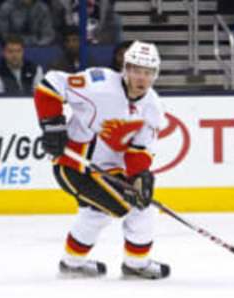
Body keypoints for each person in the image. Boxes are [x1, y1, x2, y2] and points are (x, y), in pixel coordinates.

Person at [33, 40, 170, 279]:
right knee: (127, 207)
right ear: (125, 68)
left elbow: (138, 150)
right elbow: (50, 84)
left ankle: (76, 263)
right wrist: (52, 125)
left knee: (111, 211)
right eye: (136, 70)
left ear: (155, 75)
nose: (141, 78)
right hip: (74, 166)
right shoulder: (99, 84)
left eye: (148, 73)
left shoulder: (153, 107)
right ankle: (132, 264)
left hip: (109, 172)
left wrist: (140, 176)